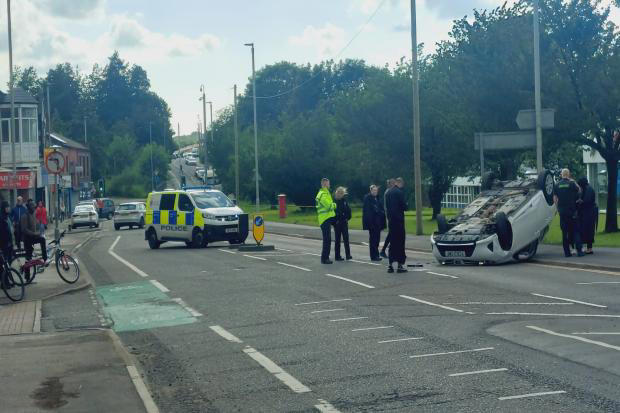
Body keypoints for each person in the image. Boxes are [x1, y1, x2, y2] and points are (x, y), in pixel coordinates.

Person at [554, 169, 584, 257]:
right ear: (569, 174)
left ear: (561, 175)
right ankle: (579, 252)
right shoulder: (571, 183)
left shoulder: (557, 185)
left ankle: (567, 253)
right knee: (576, 231)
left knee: (564, 232)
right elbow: (579, 190)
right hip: (572, 211)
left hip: (562, 212)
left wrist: (558, 208)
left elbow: (555, 198)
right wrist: (574, 181)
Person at [21, 199, 48, 281]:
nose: (33, 207)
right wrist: (34, 234)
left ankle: (44, 258)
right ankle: (27, 276)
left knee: (42, 239)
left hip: (32, 237)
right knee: (28, 258)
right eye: (32, 205)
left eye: (34, 205)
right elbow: (24, 229)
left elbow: (36, 224)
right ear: (28, 207)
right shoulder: (25, 216)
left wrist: (39, 231)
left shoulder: (33, 214)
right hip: (27, 239)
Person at [385, 177, 408, 273]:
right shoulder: (399, 192)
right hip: (399, 220)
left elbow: (387, 206)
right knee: (400, 243)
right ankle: (400, 265)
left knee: (392, 242)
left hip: (391, 221)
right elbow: (404, 206)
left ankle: (390, 265)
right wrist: (406, 204)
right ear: (399, 183)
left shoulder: (388, 193)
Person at [362, 185, 386, 261]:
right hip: (372, 223)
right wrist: (370, 223)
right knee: (373, 240)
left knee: (377, 239)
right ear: (371, 190)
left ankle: (376, 254)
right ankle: (373, 256)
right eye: (374, 190)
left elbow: (381, 208)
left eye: (376, 190)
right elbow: (367, 212)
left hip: (378, 222)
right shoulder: (367, 198)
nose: (375, 192)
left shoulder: (377, 198)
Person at [315, 178, 336, 264]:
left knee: (327, 239)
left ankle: (325, 257)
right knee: (327, 240)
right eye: (328, 183)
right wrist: (334, 205)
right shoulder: (323, 194)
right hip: (324, 219)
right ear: (324, 184)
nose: (329, 185)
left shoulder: (325, 193)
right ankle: (324, 258)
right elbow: (329, 206)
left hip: (326, 218)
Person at [577, 177, 597, 254]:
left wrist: (580, 201)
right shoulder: (588, 188)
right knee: (589, 229)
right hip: (589, 212)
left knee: (588, 229)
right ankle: (589, 247)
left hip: (589, 213)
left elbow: (587, 201)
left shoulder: (588, 189)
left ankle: (589, 248)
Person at [333, 186, 352, 261]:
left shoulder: (344, 201)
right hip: (337, 223)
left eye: (342, 193)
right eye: (339, 193)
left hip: (344, 222)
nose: (340, 194)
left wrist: (347, 217)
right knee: (337, 240)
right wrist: (335, 221)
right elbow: (333, 212)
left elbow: (348, 210)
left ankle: (348, 255)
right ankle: (337, 256)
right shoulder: (334, 201)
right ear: (337, 193)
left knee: (346, 239)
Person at [380, 178, 395, 258]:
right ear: (390, 184)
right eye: (393, 183)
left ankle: (388, 250)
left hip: (390, 215)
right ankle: (383, 250)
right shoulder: (388, 192)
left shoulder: (389, 191)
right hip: (389, 215)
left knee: (392, 233)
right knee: (391, 233)